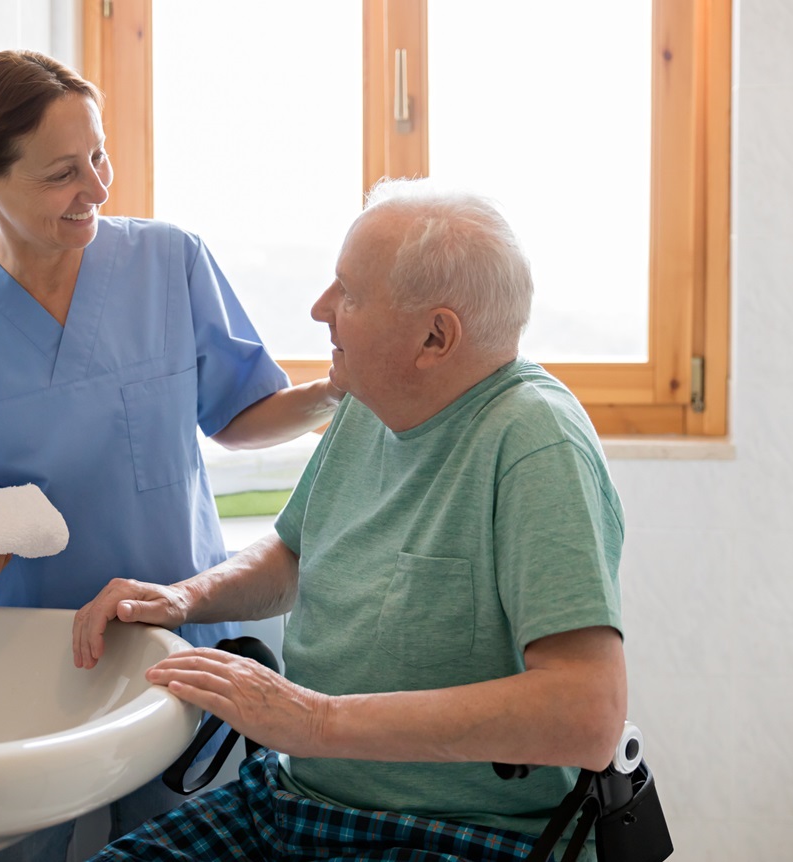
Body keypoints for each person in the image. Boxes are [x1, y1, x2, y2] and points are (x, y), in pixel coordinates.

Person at [72, 178, 628, 862]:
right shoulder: (371, 400)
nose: (320, 308)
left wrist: (314, 719)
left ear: (434, 337)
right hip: (294, 802)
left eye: (350, 294)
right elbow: (293, 556)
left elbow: (585, 716)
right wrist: (184, 598)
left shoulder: (535, 442)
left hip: (462, 833)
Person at [0, 50, 341, 861]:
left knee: (188, 845)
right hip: (19, 654)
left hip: (173, 638)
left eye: (99, 157)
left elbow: (238, 415)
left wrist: (339, 391)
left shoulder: (170, 262)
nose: (96, 187)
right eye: (63, 173)